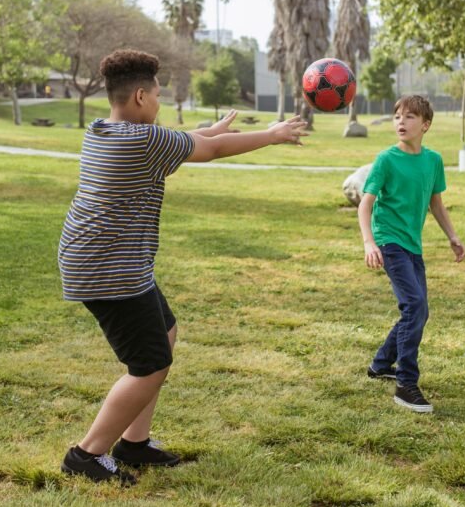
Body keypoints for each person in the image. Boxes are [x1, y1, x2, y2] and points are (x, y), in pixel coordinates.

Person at [58, 49, 307, 484]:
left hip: (108, 261)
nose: (160, 104)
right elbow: (209, 151)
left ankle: (133, 443)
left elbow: (191, 141)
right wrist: (272, 134)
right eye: (158, 97)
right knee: (150, 364)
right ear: (139, 96)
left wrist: (207, 131)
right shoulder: (144, 140)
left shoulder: (102, 130)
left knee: (165, 334)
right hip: (108, 269)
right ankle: (86, 454)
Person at [357, 95, 465, 413]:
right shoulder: (386, 159)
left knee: (418, 311)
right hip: (389, 242)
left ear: (426, 125)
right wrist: (369, 243)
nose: (401, 122)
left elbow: (436, 204)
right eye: (397, 117)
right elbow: (366, 204)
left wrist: (453, 236)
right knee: (415, 306)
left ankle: (379, 365)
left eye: (409, 117)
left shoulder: (433, 161)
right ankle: (406, 384)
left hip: (413, 245)